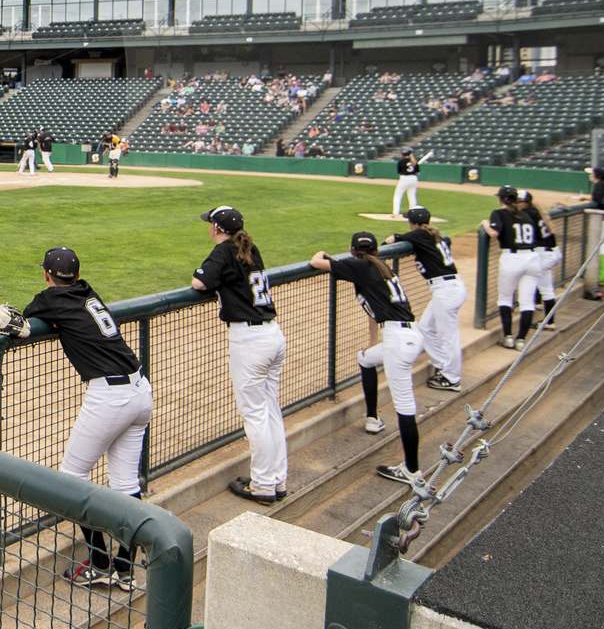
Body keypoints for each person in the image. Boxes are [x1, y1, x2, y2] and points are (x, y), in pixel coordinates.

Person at [20, 246, 151, 591]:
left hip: (111, 397)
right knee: (125, 484)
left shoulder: (52, 298)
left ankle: (98, 562)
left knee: (72, 478)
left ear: (47, 275)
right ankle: (124, 568)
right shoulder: (88, 291)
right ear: (76, 275)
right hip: (140, 390)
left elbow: (27, 314)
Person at [312, 233, 426, 485]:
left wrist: (323, 253)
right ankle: (372, 418)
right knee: (365, 358)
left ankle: (412, 470)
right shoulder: (380, 267)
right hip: (406, 335)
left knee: (405, 407)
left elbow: (317, 261)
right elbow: (375, 311)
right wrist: (374, 342)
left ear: (353, 250)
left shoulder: (360, 266)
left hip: (399, 341)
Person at [192, 205, 287, 503]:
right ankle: (276, 480)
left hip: (250, 341)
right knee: (270, 410)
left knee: (256, 415)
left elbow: (199, 283)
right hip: (272, 334)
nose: (209, 229)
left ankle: (262, 485)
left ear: (218, 229)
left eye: (211, 225)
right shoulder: (250, 247)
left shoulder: (223, 252)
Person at [391, 207, 466, 391]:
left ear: (414, 222)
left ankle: (452, 378)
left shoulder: (419, 235)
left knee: (448, 336)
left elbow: (392, 239)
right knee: (425, 328)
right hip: (449, 288)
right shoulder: (432, 235)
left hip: (446, 291)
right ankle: (444, 367)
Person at [482, 184, 544, 347]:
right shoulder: (526, 215)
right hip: (532, 258)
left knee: (505, 298)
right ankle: (521, 340)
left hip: (512, 258)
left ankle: (508, 337)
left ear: (501, 199)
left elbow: (494, 233)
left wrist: (485, 224)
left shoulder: (499, 213)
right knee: (527, 302)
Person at [523, 190, 561, 331]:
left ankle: (549, 321)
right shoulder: (536, 211)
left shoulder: (528, 213)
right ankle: (537, 304)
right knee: (539, 282)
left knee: (545, 289)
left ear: (524, 203)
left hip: (543, 254)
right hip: (551, 251)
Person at [391, 147, 421, 217]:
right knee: (412, 196)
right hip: (414, 178)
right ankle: (413, 213)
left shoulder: (401, 161)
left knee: (397, 196)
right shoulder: (414, 161)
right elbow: (418, 172)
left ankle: (395, 212)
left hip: (404, 178)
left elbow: (399, 172)